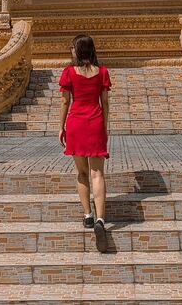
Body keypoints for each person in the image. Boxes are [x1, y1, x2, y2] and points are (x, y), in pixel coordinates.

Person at [58, 34, 111, 253]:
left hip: (76, 122)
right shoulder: (103, 72)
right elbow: (105, 102)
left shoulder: (69, 73)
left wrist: (61, 127)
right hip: (95, 121)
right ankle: (100, 219)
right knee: (97, 173)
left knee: (82, 173)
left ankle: (87, 215)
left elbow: (64, 101)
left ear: (78, 51)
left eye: (72, 48)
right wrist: (104, 125)